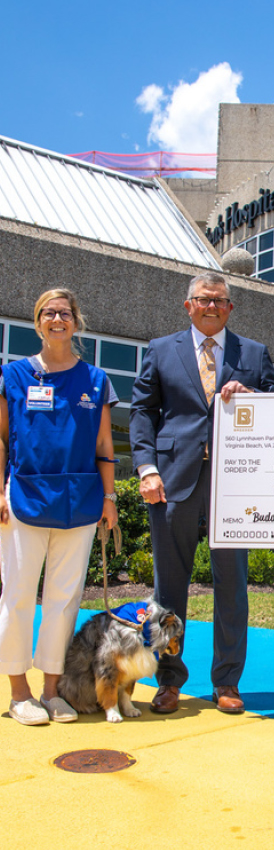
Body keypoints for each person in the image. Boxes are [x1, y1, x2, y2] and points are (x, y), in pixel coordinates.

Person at [129, 273, 274, 715]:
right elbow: (143, 412)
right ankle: (169, 681)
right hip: (171, 481)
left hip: (235, 486)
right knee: (168, 591)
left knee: (231, 587)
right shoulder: (160, 350)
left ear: (231, 308)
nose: (211, 306)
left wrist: (251, 395)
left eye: (220, 301)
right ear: (188, 305)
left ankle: (227, 682)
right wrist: (146, 468)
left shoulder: (253, 353)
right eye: (203, 299)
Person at [0, 289, 118, 726]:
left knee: (64, 599)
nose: (57, 319)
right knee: (17, 597)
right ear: (37, 322)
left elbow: (105, 444)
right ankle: (18, 692)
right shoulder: (12, 375)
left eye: (64, 313)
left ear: (76, 322)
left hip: (80, 502)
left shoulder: (95, 379)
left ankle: (52, 690)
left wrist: (109, 498)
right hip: (24, 500)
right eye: (48, 313)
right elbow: (1, 438)